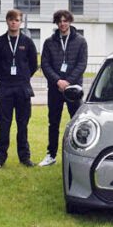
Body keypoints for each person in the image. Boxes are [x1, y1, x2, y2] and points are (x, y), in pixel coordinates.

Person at [0, 9, 39, 168]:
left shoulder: (27, 42)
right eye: (11, 20)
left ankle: (25, 157)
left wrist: (23, 78)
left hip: (22, 89)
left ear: (20, 22)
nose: (13, 22)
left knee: (22, 124)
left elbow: (33, 65)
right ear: (7, 21)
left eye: (16, 20)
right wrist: (4, 78)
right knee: (4, 125)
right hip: (4, 88)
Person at [39, 9, 88, 166]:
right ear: (56, 23)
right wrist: (58, 81)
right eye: (59, 21)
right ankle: (51, 155)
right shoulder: (49, 42)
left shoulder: (80, 41)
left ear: (70, 21)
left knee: (77, 122)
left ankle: (80, 154)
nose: (62, 24)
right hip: (55, 89)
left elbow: (82, 64)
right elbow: (45, 64)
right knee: (53, 122)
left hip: (73, 89)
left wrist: (67, 82)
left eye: (65, 20)